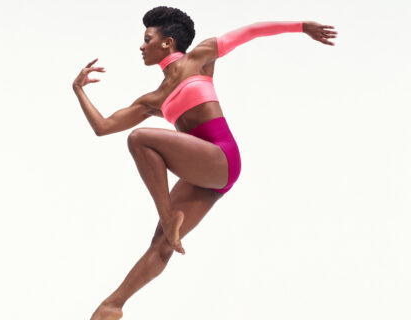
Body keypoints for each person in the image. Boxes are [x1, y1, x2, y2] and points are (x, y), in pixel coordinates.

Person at [72, 6, 336, 320]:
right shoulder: (152, 100)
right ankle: (111, 307)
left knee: (140, 139)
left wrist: (301, 26)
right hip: (203, 173)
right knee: (162, 243)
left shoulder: (200, 57)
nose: (141, 47)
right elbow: (103, 127)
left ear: (167, 43)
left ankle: (169, 217)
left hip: (221, 157)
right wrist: (78, 89)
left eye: (147, 39)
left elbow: (250, 31)